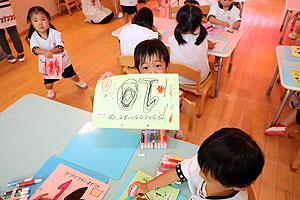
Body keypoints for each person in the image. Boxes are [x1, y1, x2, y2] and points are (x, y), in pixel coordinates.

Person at [128, 128, 264, 200]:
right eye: (200, 166)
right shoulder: (208, 163)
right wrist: (147, 186)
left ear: (237, 187)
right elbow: (178, 172)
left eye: (207, 178)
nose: (199, 173)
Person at [100, 39, 183, 138]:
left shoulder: (170, 90)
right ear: (138, 69)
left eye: (157, 66)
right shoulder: (137, 86)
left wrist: (177, 103)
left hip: (163, 134)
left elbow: (167, 123)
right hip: (139, 132)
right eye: (145, 68)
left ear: (167, 66)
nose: (152, 72)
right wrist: (112, 84)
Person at [25, 6, 88, 100]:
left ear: (48, 19)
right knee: (48, 85)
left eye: (43, 19)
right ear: (31, 23)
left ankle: (79, 81)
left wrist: (50, 51)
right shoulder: (33, 37)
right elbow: (34, 49)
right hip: (48, 64)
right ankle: (50, 90)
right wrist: (44, 52)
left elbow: (60, 47)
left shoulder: (55, 33)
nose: (40, 23)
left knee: (73, 76)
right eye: (35, 21)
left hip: (62, 60)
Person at [169, 5, 214, 84]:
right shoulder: (202, 37)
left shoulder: (173, 39)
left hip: (177, 77)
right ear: (199, 23)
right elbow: (211, 46)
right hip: (199, 78)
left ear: (178, 21)